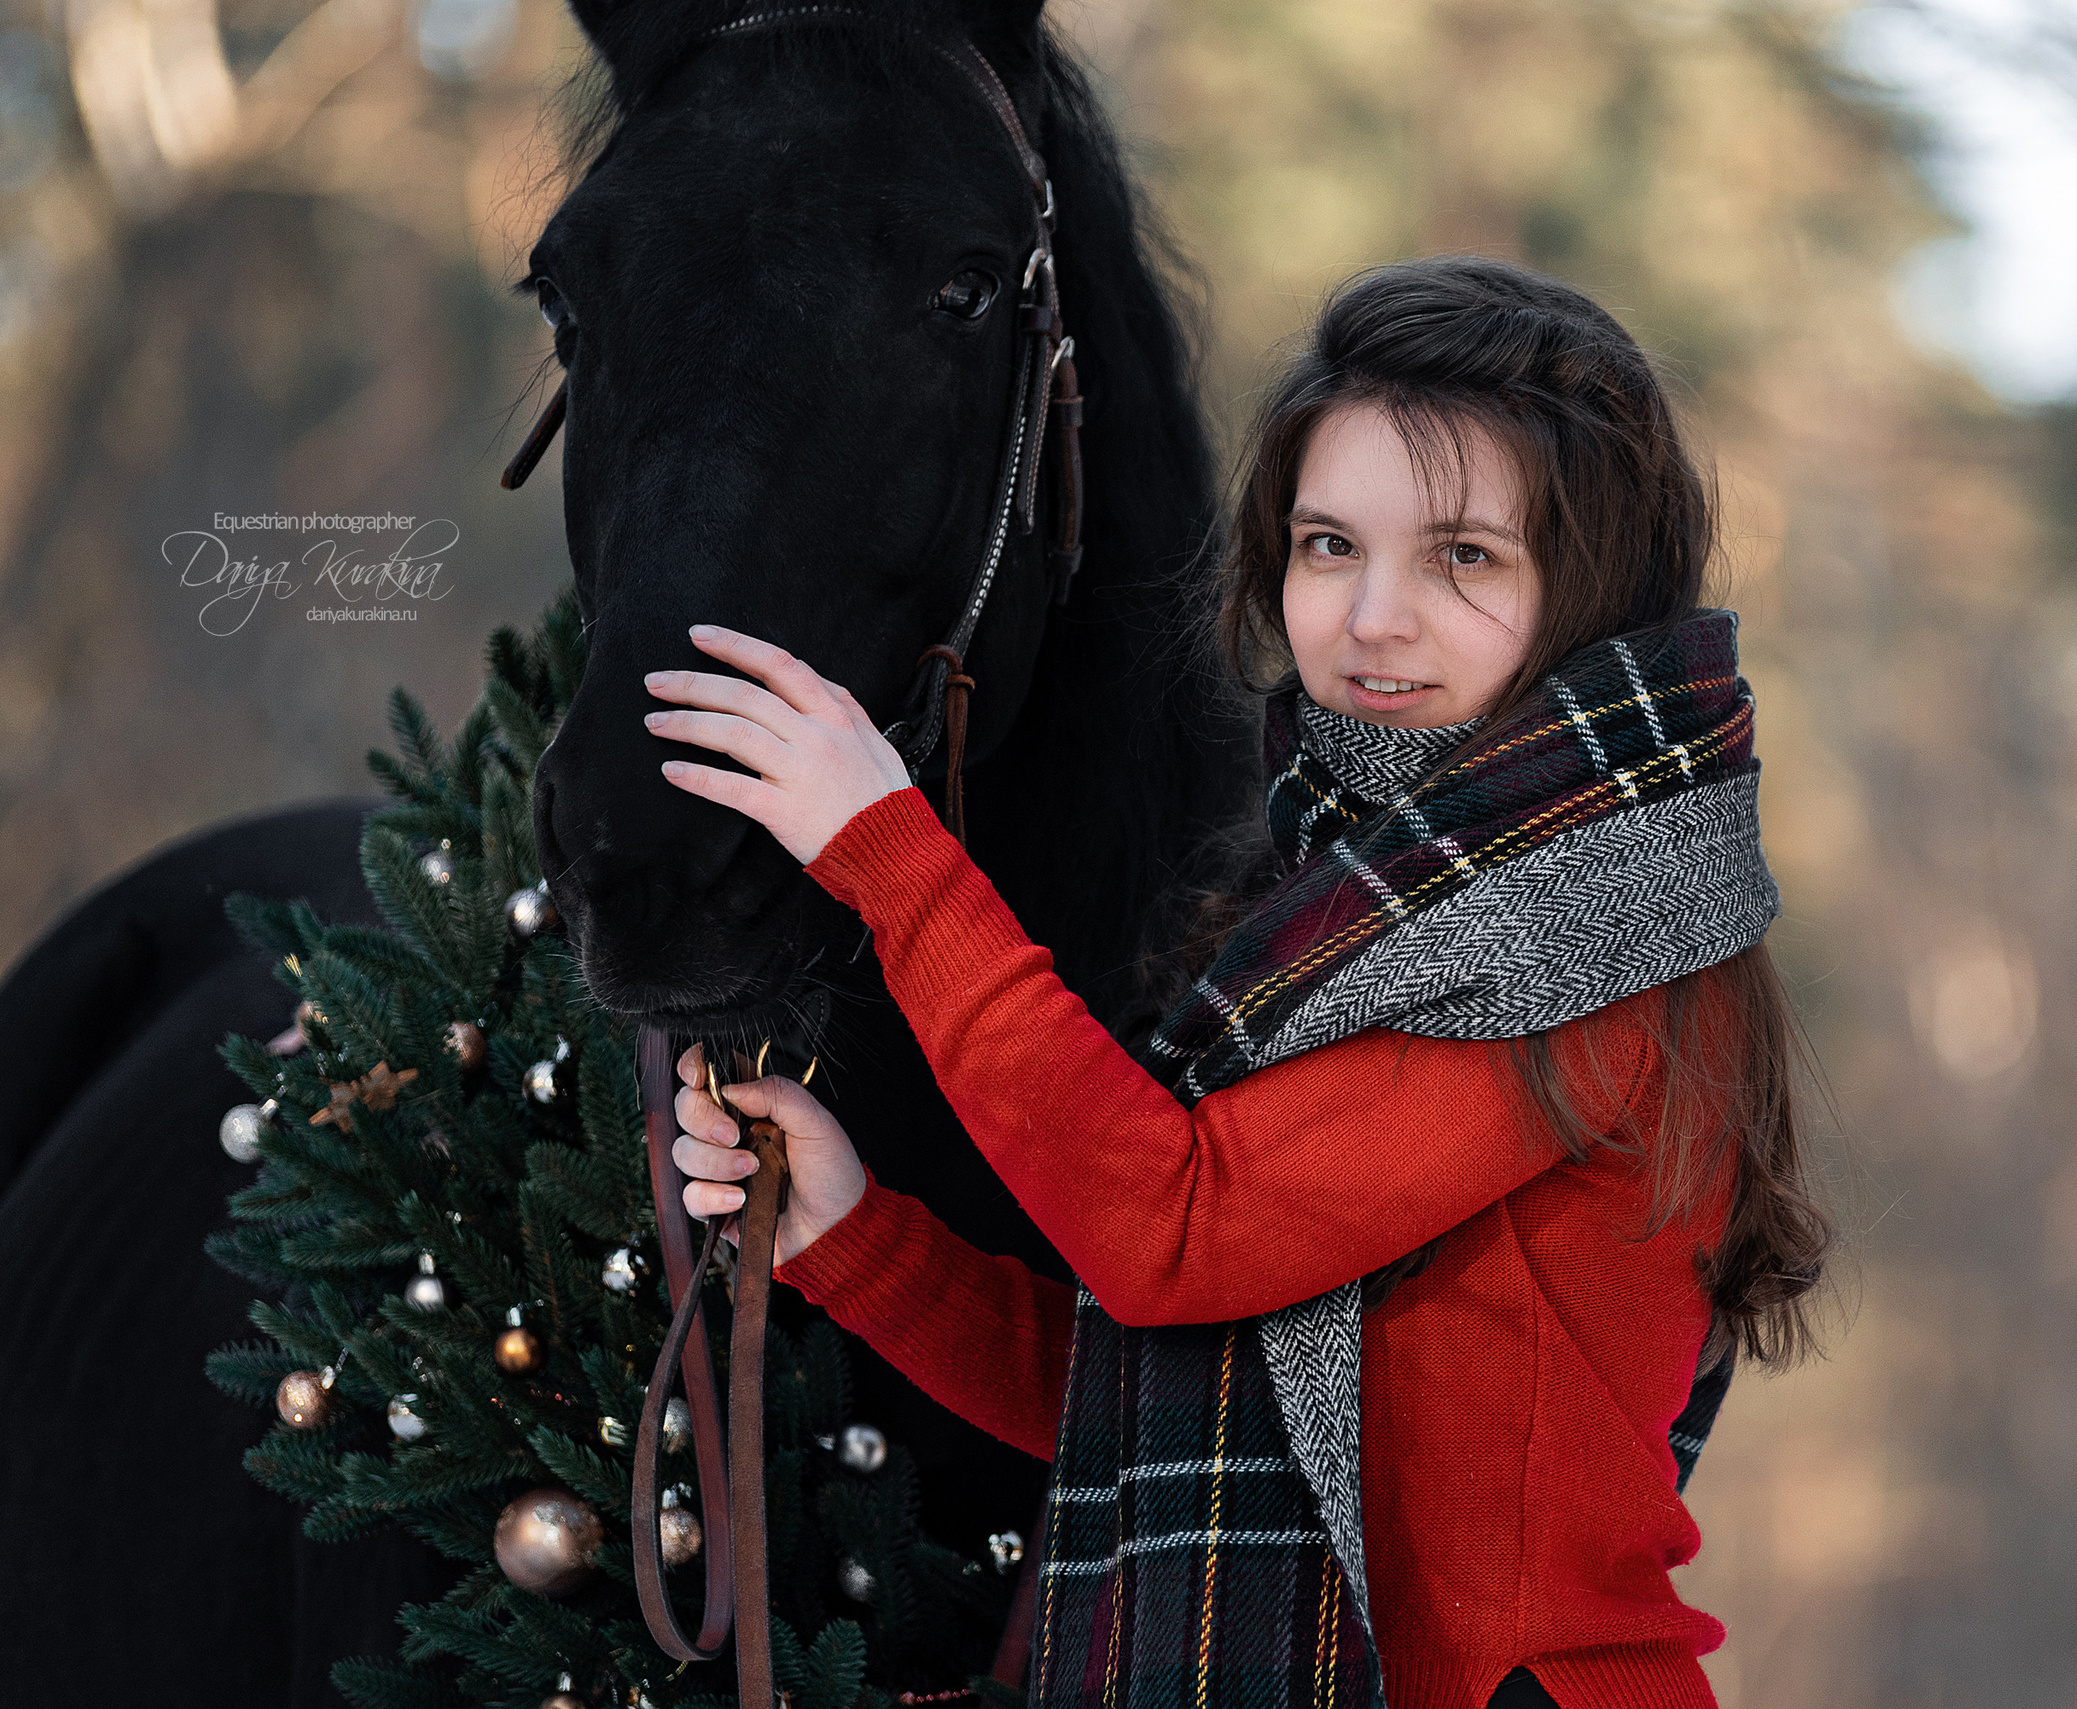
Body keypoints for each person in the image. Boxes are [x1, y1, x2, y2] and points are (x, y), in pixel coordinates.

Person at [639, 255, 1832, 1709]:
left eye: (1463, 557)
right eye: (1330, 545)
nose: (1372, 615)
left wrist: (891, 853)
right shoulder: (1349, 909)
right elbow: (1162, 1390)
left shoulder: (1590, 942)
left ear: (1589, 591)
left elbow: (1170, 1228)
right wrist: (859, 1239)